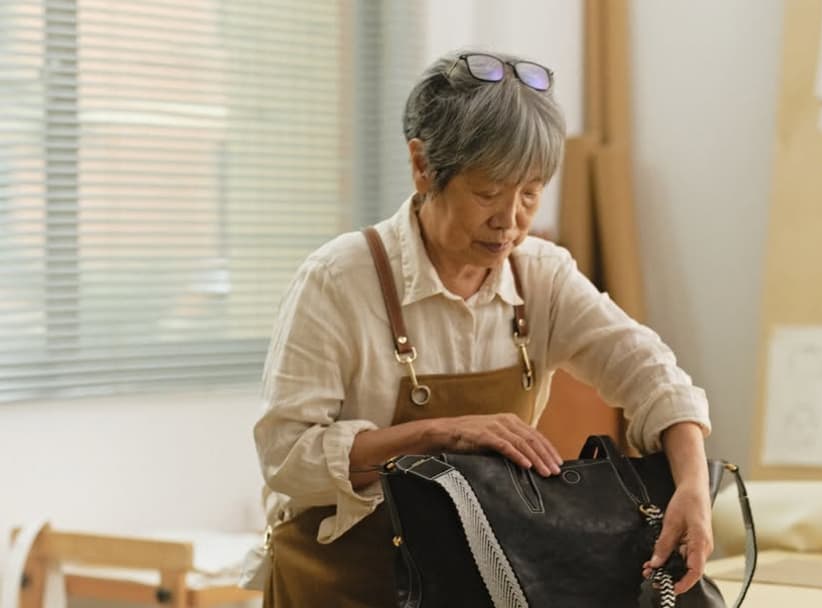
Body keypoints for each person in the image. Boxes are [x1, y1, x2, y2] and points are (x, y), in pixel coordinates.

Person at [253, 50, 715, 607]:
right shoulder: (337, 281)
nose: (510, 220)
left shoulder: (540, 275)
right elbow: (285, 459)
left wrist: (692, 484)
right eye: (488, 192)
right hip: (343, 583)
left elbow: (651, 373)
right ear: (423, 167)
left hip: (469, 587)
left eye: (531, 191)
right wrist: (440, 435)